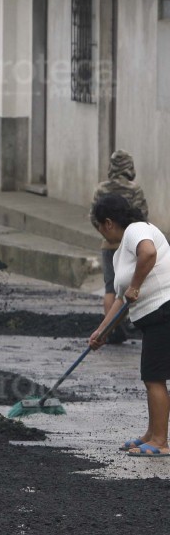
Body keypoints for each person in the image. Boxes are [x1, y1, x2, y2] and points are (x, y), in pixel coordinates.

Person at [89, 194, 170, 457]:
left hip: (164, 310)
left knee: (154, 377)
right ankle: (151, 433)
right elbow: (121, 300)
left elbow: (149, 253)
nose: (101, 232)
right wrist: (102, 332)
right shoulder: (119, 255)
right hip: (153, 318)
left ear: (108, 223)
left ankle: (160, 441)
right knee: (151, 376)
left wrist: (135, 285)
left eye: (99, 226)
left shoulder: (138, 229)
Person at [90, 149, 148, 344]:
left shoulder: (101, 189)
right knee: (131, 286)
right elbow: (142, 214)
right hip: (131, 246)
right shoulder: (134, 189)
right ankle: (132, 320)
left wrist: (107, 235)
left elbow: (94, 217)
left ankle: (111, 329)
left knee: (110, 288)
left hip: (108, 245)